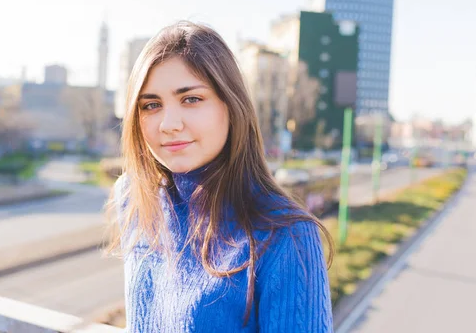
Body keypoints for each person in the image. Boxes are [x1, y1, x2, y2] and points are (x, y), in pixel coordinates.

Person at [105, 21, 334, 332]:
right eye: (152, 105)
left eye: (191, 99)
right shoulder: (133, 196)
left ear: (231, 104)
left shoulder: (284, 234)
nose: (168, 124)